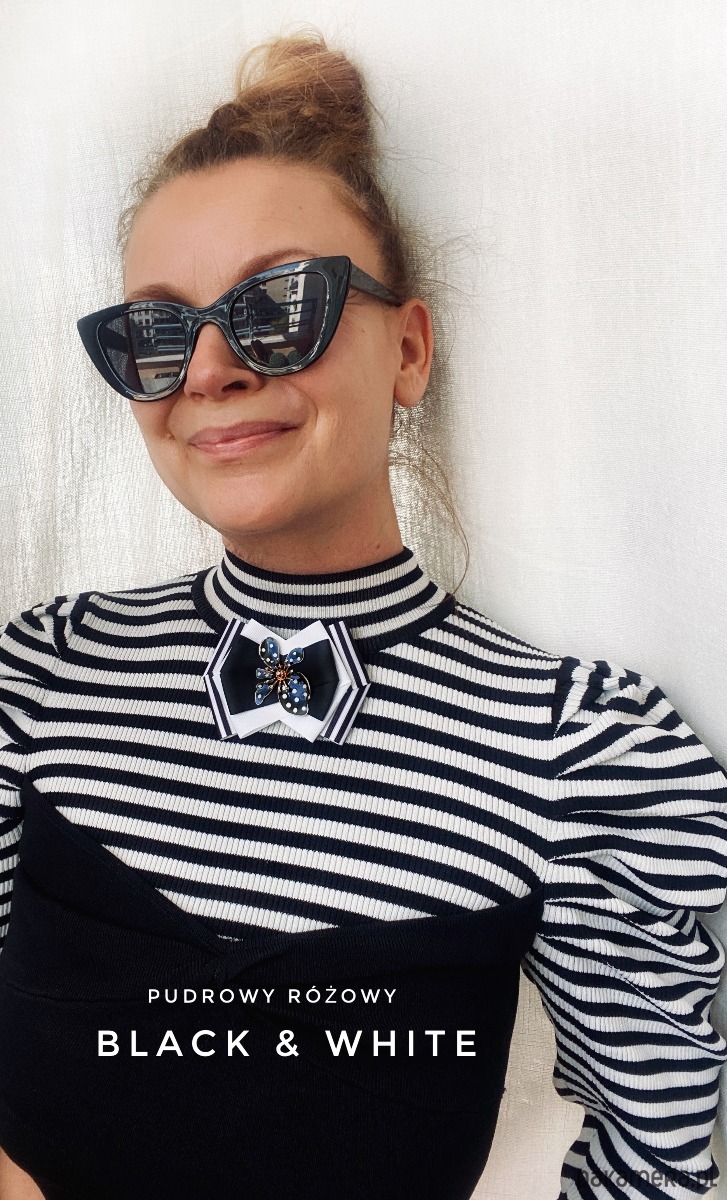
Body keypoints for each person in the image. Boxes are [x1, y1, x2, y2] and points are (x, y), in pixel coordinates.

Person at [1, 31, 727, 1200]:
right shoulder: (43, 674)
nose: (208, 370)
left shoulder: (583, 753)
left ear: (409, 348)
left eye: (280, 305)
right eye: (154, 332)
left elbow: (651, 1166)